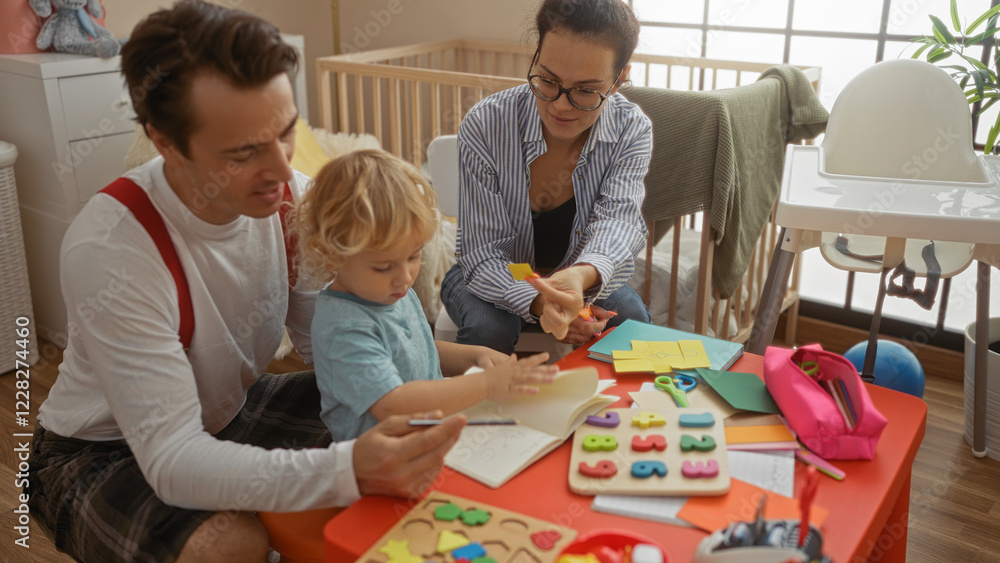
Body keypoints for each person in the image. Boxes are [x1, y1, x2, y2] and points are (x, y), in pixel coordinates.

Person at [26, 2, 465, 562]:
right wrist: (346, 466)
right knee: (229, 545)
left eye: (284, 134)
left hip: (233, 410)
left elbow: (336, 341)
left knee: (418, 417)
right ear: (165, 142)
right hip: (104, 452)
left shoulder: (293, 201)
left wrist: (469, 365)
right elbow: (173, 460)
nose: (284, 171)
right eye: (244, 152)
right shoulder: (112, 247)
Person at [294, 150, 557, 441]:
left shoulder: (389, 291)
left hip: (428, 436)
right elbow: (394, 404)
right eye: (383, 266)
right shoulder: (343, 327)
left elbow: (416, 348)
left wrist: (476, 354)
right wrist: (484, 385)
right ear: (331, 255)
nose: (405, 276)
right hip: (387, 463)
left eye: (413, 256)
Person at [440, 0, 653, 354]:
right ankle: (484, 409)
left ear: (620, 80)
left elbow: (619, 222)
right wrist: (541, 303)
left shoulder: (631, 129)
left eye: (586, 90)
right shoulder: (486, 124)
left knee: (631, 322)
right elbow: (483, 253)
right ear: (534, 58)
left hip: (581, 280)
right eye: (548, 80)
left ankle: (607, 411)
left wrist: (579, 277)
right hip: (494, 275)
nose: (560, 105)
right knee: (488, 330)